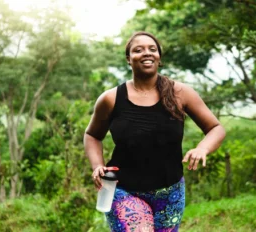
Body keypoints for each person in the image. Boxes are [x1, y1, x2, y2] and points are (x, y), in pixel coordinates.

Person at [84, 31, 226, 232]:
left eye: (152, 49)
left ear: (159, 58)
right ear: (128, 59)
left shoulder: (180, 93)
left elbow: (216, 128)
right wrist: (97, 165)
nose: (146, 53)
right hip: (121, 189)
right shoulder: (110, 99)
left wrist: (202, 148)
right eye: (138, 50)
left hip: (170, 191)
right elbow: (92, 135)